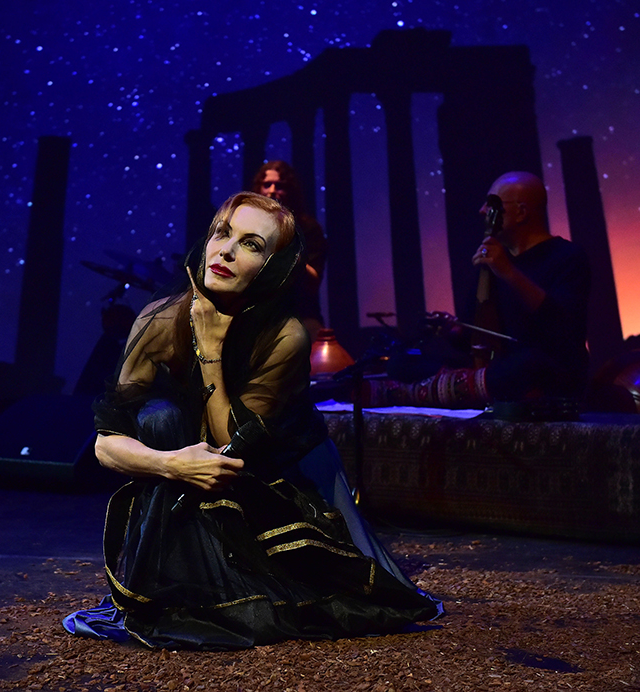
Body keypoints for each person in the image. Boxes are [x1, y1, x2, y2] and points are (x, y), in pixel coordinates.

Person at [64, 192, 441, 650]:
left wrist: (210, 350)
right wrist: (172, 464)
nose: (225, 251)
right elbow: (106, 443)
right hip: (193, 467)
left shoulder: (286, 336)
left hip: (282, 469)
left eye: (251, 244)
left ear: (272, 269)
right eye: (222, 234)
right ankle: (182, 586)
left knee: (344, 593)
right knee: (158, 418)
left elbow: (235, 445)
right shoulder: (160, 320)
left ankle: (238, 583)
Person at [366, 171, 591, 409]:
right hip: (492, 371)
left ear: (521, 212)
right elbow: (477, 342)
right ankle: (462, 388)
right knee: (402, 361)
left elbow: (563, 327)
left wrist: (509, 273)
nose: (482, 211)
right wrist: (453, 331)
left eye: (492, 204)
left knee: (528, 365)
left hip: (542, 369)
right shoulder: (492, 261)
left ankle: (428, 391)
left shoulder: (567, 257)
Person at [251, 160, 327, 341]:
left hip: (300, 314)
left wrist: (286, 247)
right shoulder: (249, 227)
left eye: (279, 186)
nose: (272, 191)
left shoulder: (308, 228)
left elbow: (314, 281)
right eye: (267, 185)